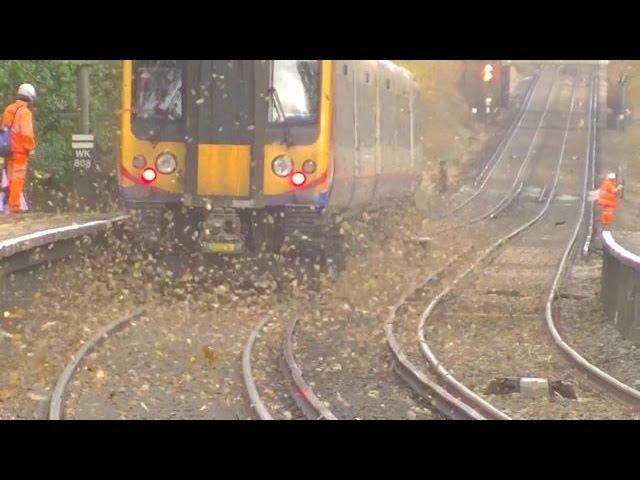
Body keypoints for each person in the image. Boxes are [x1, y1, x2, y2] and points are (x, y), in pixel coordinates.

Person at [2, 83, 36, 214]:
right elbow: (26, 133)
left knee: (10, 177)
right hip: (20, 151)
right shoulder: (25, 112)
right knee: (18, 178)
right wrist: (31, 147)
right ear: (30, 97)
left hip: (7, 149)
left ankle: (9, 205)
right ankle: (14, 207)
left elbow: (4, 129)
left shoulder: (8, 109)